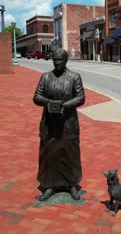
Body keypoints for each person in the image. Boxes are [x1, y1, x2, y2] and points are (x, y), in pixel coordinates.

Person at [33, 49, 86, 201]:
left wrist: (65, 105)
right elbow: (36, 96)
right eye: (54, 60)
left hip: (68, 123)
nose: (57, 63)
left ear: (66, 60)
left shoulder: (74, 77)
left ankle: (71, 185)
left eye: (60, 60)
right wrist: (48, 103)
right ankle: (49, 185)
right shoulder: (46, 77)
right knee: (49, 155)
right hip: (50, 124)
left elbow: (80, 97)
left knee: (70, 154)